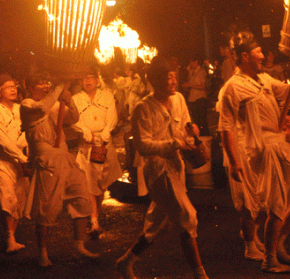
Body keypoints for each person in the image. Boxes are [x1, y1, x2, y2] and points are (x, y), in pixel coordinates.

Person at [217, 32, 290, 274]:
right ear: (245, 56)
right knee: (275, 205)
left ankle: (278, 243)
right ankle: (269, 260)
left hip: (280, 144)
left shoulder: (264, 79)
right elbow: (225, 129)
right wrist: (236, 163)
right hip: (263, 150)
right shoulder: (232, 88)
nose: (263, 55)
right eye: (258, 51)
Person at [116, 56, 209, 279]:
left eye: (174, 77)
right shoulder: (142, 108)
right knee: (188, 217)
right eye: (168, 78)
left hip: (177, 167)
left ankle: (125, 262)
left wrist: (192, 131)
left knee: (157, 224)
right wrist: (175, 143)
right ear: (157, 81)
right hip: (157, 171)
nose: (173, 82)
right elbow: (142, 145)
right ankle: (200, 274)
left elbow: (186, 125)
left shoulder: (178, 99)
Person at [21, 73, 97, 267]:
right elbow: (43, 107)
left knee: (81, 198)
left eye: (47, 83)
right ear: (30, 87)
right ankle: (43, 253)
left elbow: (73, 118)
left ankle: (79, 245)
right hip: (47, 159)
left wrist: (68, 98)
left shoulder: (53, 101)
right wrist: (60, 87)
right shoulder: (27, 104)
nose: (45, 86)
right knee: (47, 207)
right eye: (40, 83)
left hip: (64, 155)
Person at [70, 65, 122, 238]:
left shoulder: (107, 95)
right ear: (80, 81)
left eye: (91, 77)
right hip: (87, 145)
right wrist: (87, 134)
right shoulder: (76, 99)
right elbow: (73, 121)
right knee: (89, 183)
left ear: (97, 80)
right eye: (84, 78)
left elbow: (113, 117)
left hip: (105, 143)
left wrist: (104, 135)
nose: (88, 81)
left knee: (101, 184)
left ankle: (95, 215)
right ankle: (93, 221)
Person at [0, 73, 30, 253]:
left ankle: (12, 235)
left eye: (14, 86)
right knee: (8, 199)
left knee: (19, 201)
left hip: (20, 162)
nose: (13, 89)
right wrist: (22, 157)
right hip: (1, 163)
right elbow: (2, 140)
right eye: (8, 87)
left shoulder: (21, 109)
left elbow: (30, 132)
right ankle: (9, 238)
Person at [182, 57, 209, 136]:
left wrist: (190, 85)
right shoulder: (192, 73)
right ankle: (200, 140)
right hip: (193, 100)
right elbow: (192, 87)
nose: (190, 64)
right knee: (196, 122)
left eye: (191, 62)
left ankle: (206, 139)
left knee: (202, 122)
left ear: (196, 61)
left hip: (200, 100)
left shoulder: (201, 72)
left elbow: (202, 87)